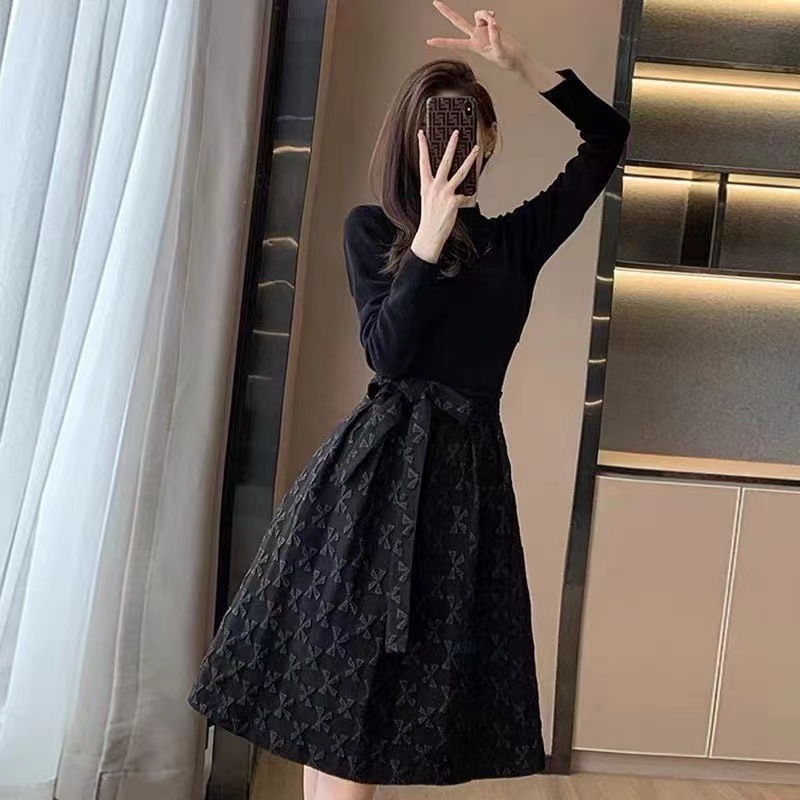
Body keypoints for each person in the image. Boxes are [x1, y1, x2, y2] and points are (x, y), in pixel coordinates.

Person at [188, 3, 631, 799]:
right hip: (371, 481)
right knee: (338, 688)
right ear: (410, 143)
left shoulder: (515, 243)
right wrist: (425, 241)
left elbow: (607, 139)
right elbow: (386, 355)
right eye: (435, 131)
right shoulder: (371, 233)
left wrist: (522, 66)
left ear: (489, 140)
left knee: (397, 700)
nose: (455, 145)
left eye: (468, 130)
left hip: (465, 488)